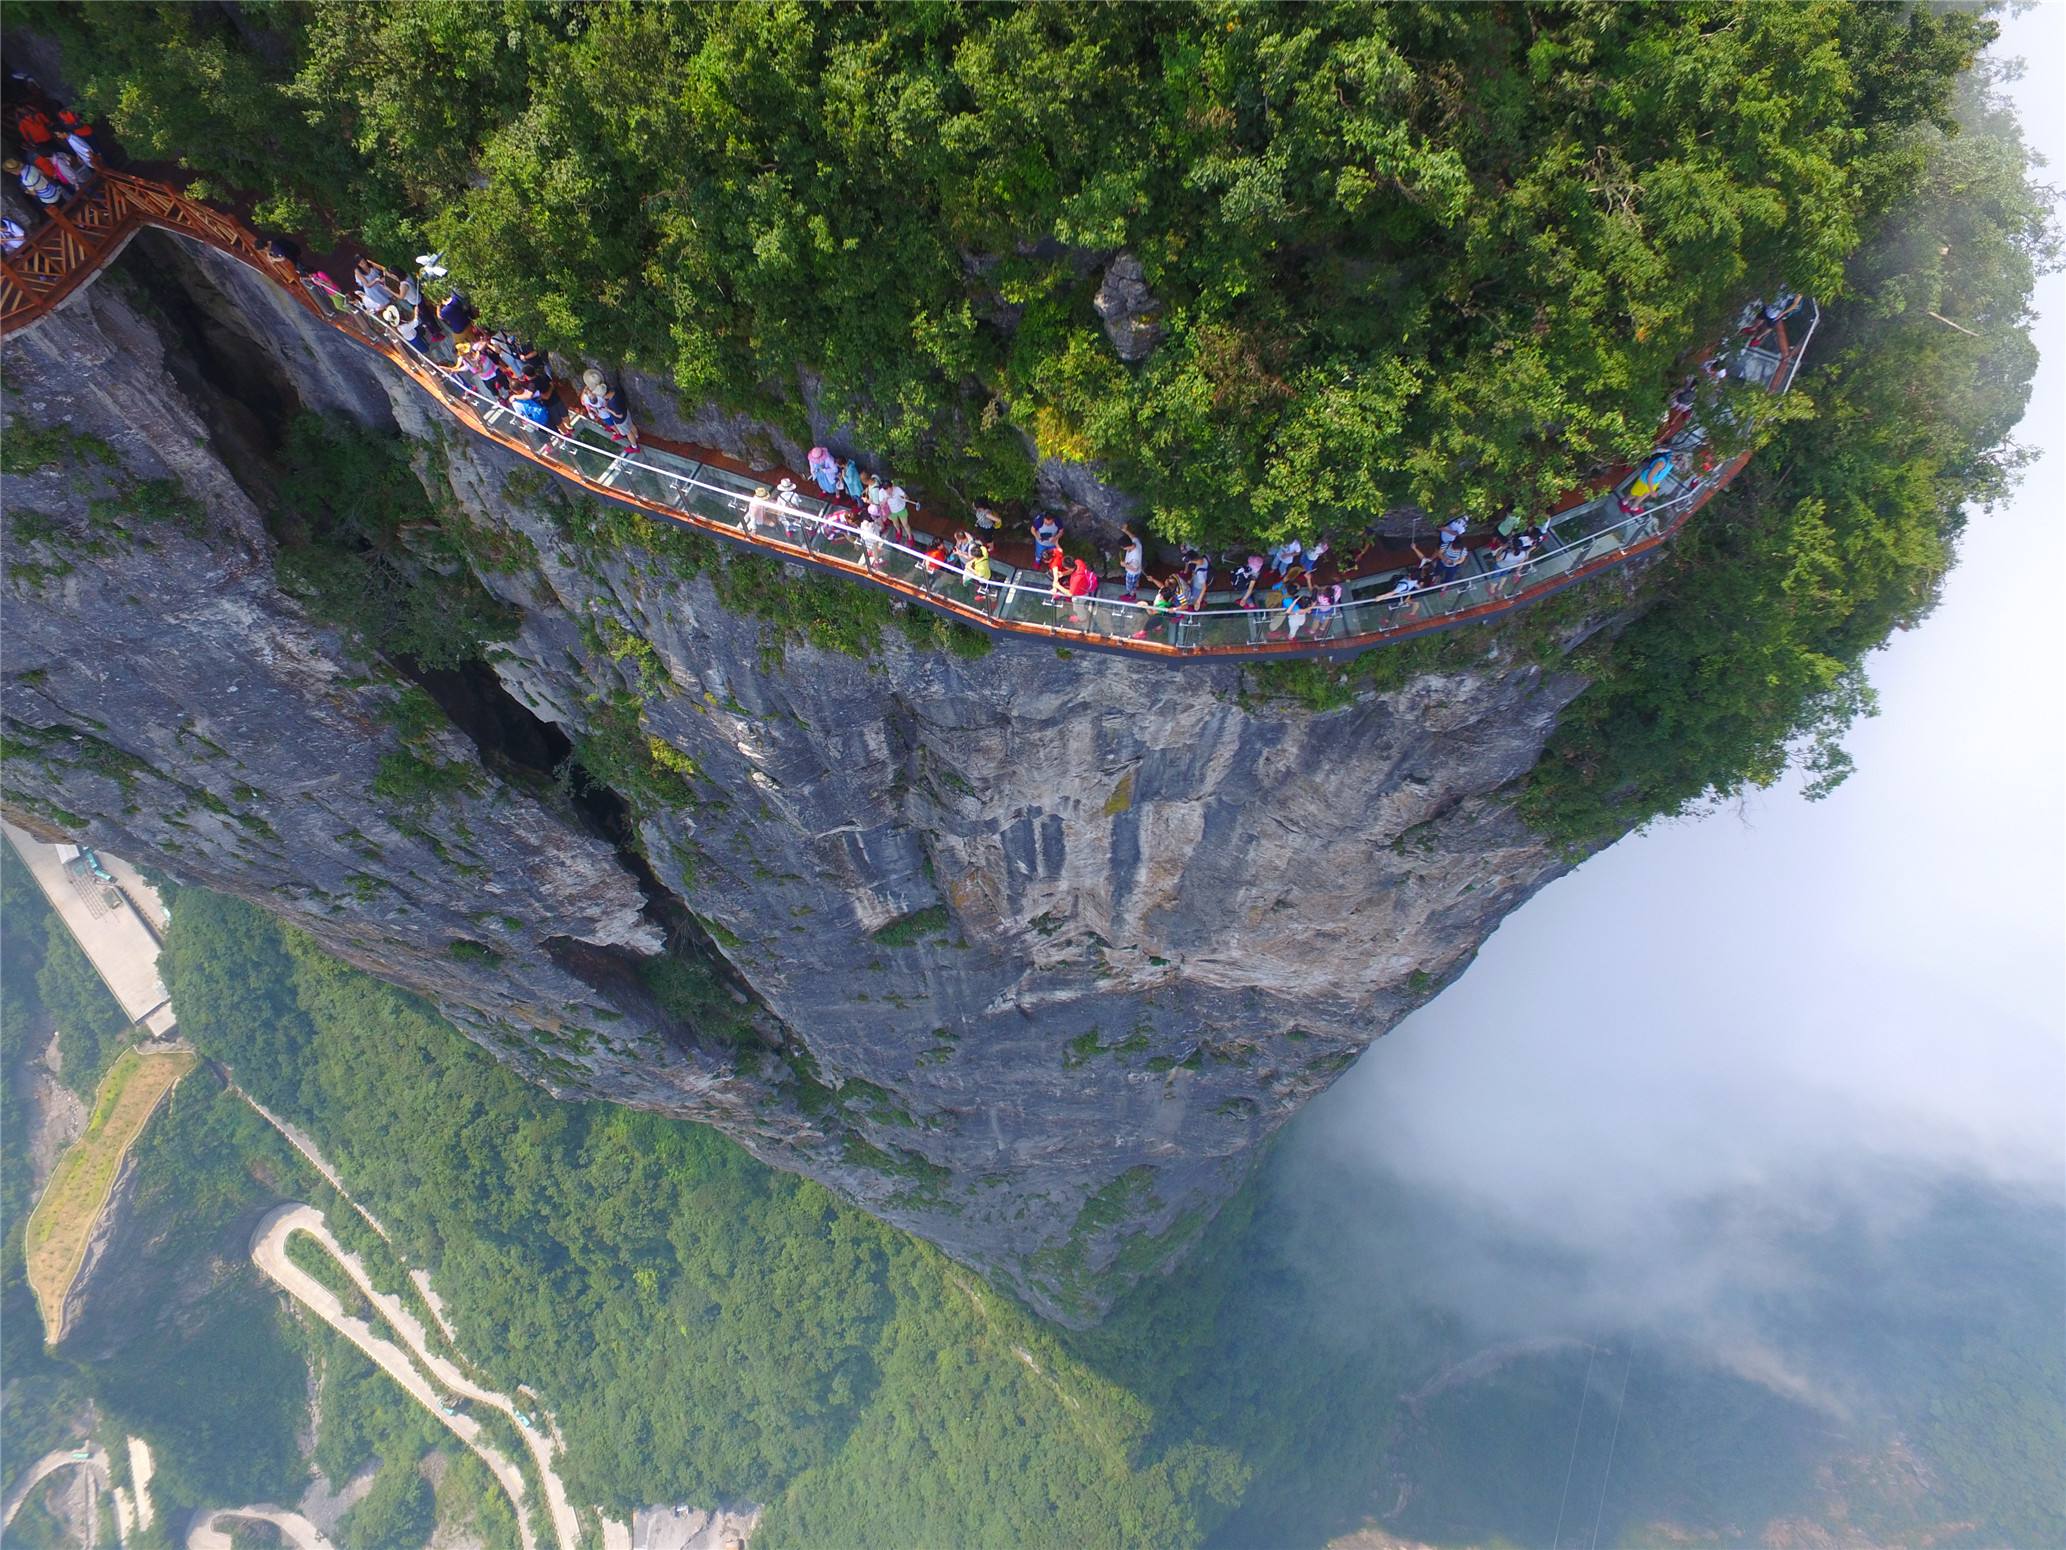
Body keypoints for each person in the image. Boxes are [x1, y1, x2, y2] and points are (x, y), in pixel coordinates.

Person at [578, 369, 641, 453]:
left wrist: (608, 410)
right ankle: (636, 436)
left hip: (621, 420)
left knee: (628, 432)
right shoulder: (615, 392)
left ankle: (634, 446)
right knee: (631, 424)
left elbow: (619, 415)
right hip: (626, 412)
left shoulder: (612, 404)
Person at [1065, 555, 1100, 622]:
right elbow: (1072, 570)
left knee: (1078, 608)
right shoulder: (1078, 562)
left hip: (1081, 594)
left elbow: (1070, 593)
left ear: (1067, 567)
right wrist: (1063, 574)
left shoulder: (1076, 579)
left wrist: (1057, 585)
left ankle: (1082, 618)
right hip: (1085, 585)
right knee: (1078, 605)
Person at [1118, 525, 1144, 602]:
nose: (1123, 549)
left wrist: (1124, 565)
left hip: (1132, 573)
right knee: (1136, 581)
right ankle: (1137, 586)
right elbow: (1132, 536)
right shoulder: (1136, 543)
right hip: (1138, 570)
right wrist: (1126, 531)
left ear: (1127, 546)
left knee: (1129, 586)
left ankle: (1131, 595)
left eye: (1123, 547)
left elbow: (1134, 568)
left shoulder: (1135, 556)